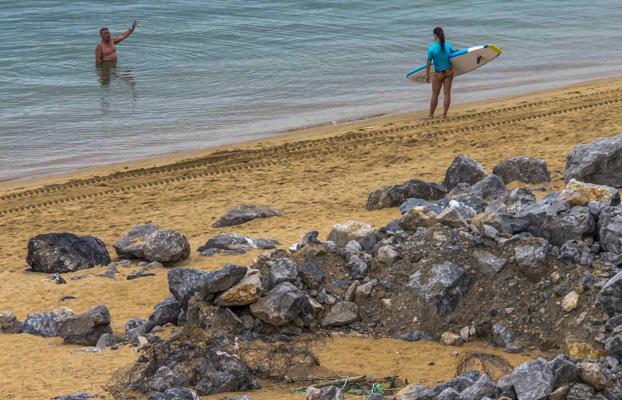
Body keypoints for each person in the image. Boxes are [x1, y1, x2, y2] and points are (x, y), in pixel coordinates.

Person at [425, 26, 456, 119]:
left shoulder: (431, 49)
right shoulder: (448, 45)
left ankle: (431, 115)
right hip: (449, 72)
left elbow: (428, 64)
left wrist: (427, 75)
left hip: (438, 74)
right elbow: (455, 56)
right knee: (447, 94)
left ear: (435, 35)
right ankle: (444, 114)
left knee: (435, 94)